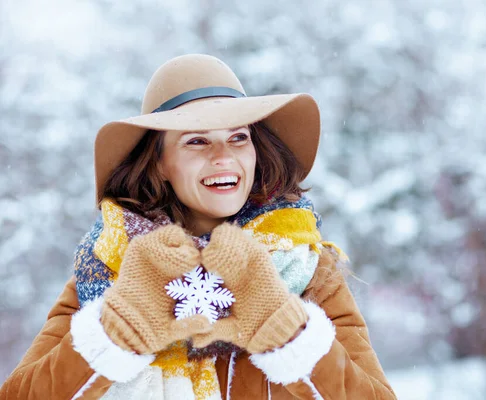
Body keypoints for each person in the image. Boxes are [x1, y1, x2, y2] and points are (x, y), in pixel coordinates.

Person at [0, 54, 396, 400]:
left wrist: (285, 327)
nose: (224, 156)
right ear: (159, 163)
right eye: (197, 141)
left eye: (238, 137)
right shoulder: (108, 271)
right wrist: (115, 331)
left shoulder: (309, 271)